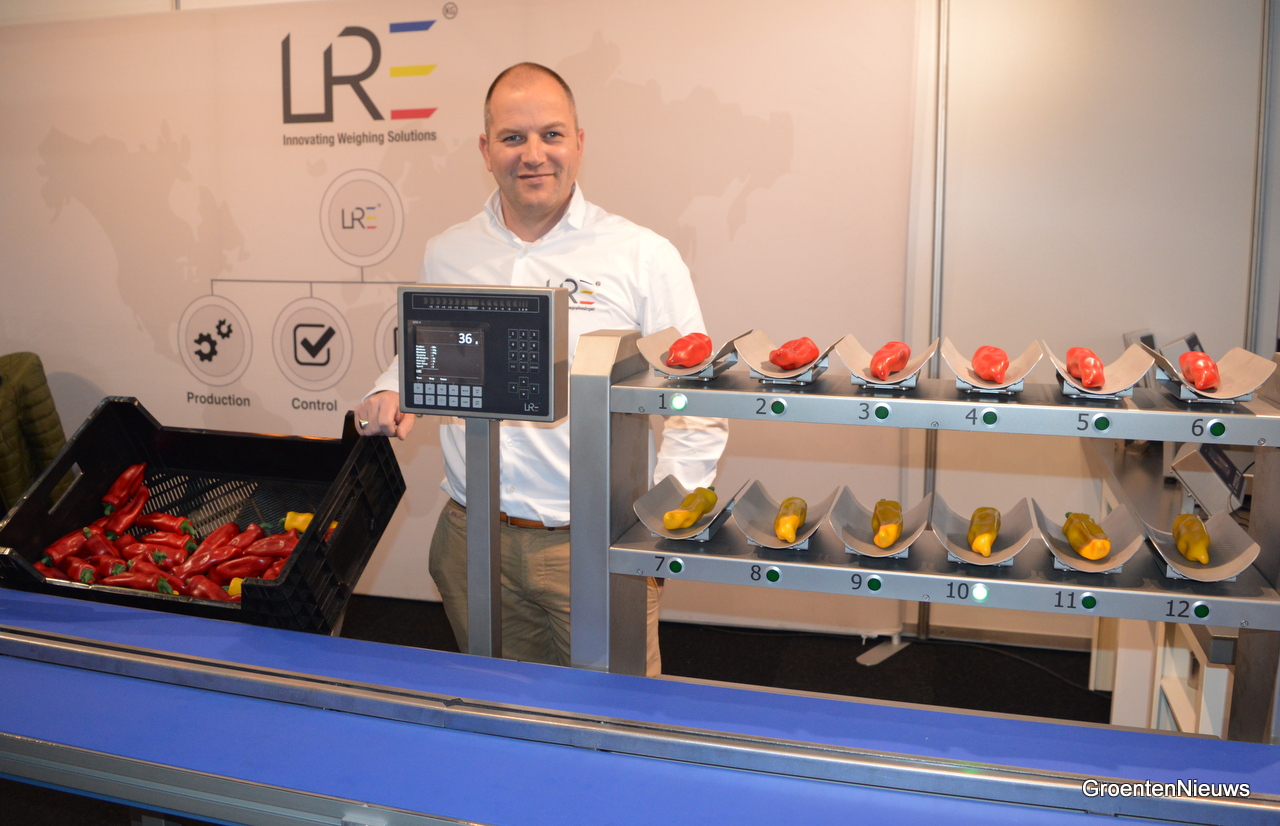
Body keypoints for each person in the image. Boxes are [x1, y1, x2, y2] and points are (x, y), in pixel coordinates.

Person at [355, 62, 727, 674]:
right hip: (473, 541)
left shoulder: (641, 256)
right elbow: (433, 352)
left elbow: (697, 401)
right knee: (502, 709)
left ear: (579, 142)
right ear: (485, 150)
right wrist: (390, 387)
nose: (533, 155)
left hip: (593, 546)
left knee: (613, 719)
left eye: (551, 134)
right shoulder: (449, 252)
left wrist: (660, 524)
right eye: (513, 137)